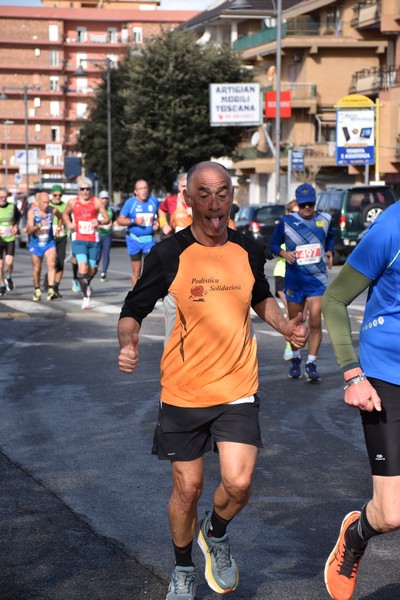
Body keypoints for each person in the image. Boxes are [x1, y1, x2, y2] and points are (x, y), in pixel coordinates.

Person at [117, 161, 308, 600]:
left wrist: (285, 328)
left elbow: (259, 294)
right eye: (204, 193)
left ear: (232, 196)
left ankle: (215, 531)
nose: (215, 202)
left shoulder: (248, 248)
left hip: (237, 386)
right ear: (188, 199)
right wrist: (128, 343)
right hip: (183, 392)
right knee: (188, 489)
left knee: (239, 484)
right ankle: (183, 567)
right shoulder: (169, 254)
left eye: (222, 192)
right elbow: (133, 309)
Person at [322, 200, 400, 600]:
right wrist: (353, 374)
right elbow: (334, 301)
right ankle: (355, 536)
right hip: (386, 376)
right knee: (391, 514)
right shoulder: (390, 230)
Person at [269, 183, 334, 382]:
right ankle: (296, 358)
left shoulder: (325, 219)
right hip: (294, 280)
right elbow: (272, 244)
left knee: (315, 321)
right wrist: (282, 252)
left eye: (311, 204)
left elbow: (330, 236)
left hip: (317, 280)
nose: (307, 208)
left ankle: (311, 363)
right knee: (296, 324)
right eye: (304, 204)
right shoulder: (287, 222)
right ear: (298, 203)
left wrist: (329, 250)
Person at [63, 177, 110, 310]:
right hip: (79, 240)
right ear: (78, 190)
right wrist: (68, 223)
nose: (85, 191)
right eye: (82, 189)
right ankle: (85, 298)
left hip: (93, 240)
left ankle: (86, 283)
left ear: (91, 190)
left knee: (92, 269)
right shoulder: (72, 202)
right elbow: (65, 214)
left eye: (87, 189)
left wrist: (99, 222)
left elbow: (107, 219)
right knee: (82, 267)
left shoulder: (96, 202)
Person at [116, 179, 160, 286]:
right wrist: (133, 221)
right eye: (140, 189)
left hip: (148, 240)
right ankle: (136, 297)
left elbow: (160, 216)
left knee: (150, 269)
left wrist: (157, 223)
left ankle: (147, 294)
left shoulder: (153, 201)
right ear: (135, 191)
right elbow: (120, 220)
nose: (143, 191)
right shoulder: (130, 203)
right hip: (133, 239)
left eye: (145, 188)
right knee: (137, 271)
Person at [272, 199, 299, 361]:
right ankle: (290, 347)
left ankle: (296, 344)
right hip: (282, 273)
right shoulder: (282, 228)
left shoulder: (306, 229)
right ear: (287, 213)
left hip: (300, 276)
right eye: (293, 213)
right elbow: (273, 246)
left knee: (301, 315)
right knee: (290, 310)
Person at [27, 190, 62, 302]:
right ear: (38, 202)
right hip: (36, 244)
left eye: (48, 202)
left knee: (52, 263)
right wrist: (39, 226)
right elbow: (29, 230)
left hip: (49, 242)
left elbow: (60, 217)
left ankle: (51, 289)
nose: (46, 205)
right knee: (37, 268)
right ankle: (37, 289)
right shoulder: (32, 212)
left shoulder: (52, 210)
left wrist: (58, 228)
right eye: (44, 202)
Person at [47, 184, 68, 297]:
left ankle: (55, 286)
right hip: (49, 237)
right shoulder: (47, 205)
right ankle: (50, 280)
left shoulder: (65, 205)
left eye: (60, 195)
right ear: (52, 194)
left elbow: (67, 217)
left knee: (60, 262)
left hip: (61, 236)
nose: (58, 197)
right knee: (52, 262)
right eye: (55, 195)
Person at [0, 187, 20, 296]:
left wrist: (16, 226)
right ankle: (1, 284)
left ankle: (8, 277)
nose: (3, 199)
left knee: (9, 262)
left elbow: (17, 218)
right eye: (1, 197)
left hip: (9, 238)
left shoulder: (12, 207)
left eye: (5, 197)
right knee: (0, 265)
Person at [97, 190, 115, 282]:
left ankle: (104, 273)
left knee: (106, 254)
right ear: (99, 199)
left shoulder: (110, 210)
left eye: (106, 198)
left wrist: (113, 224)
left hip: (107, 235)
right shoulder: (96, 209)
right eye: (102, 198)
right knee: (97, 255)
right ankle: (94, 268)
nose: (104, 200)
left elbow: (114, 220)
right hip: (97, 234)